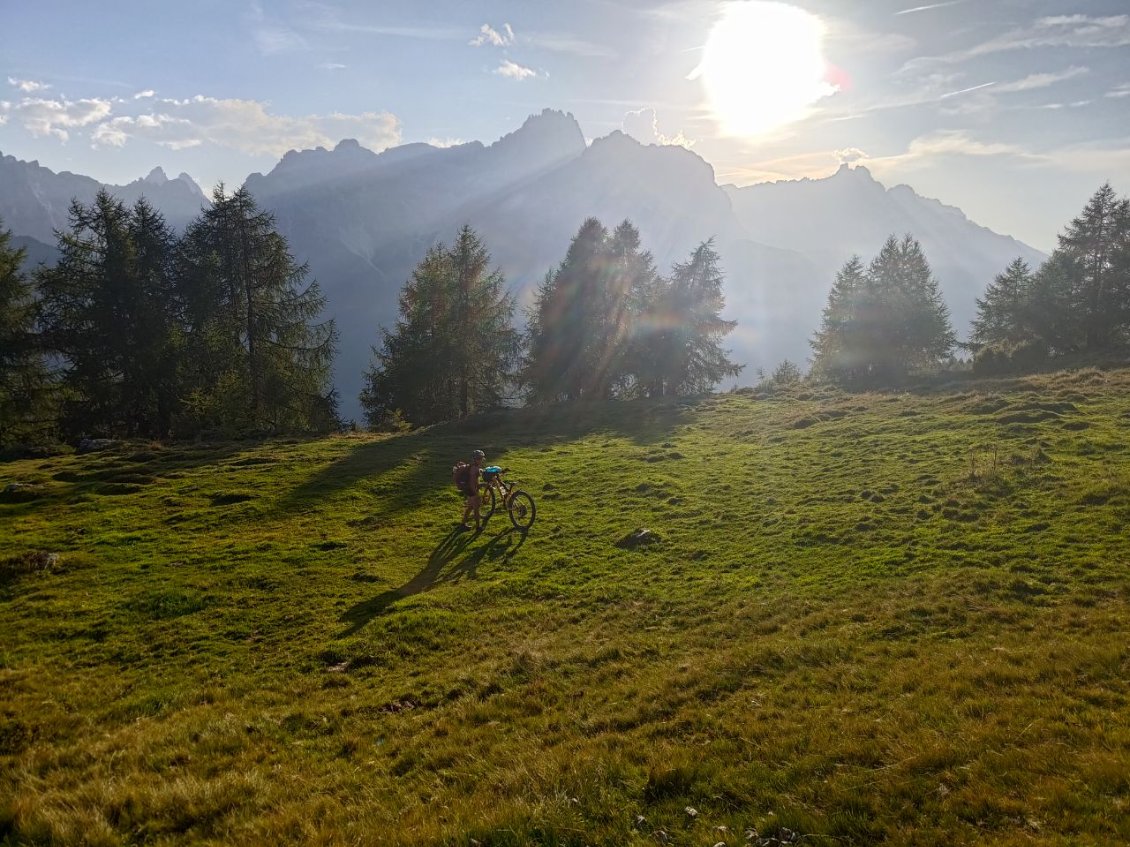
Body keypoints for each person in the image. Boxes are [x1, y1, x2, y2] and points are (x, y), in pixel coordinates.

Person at [457, 449, 486, 531]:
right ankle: (478, 527)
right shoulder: (474, 469)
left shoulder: (472, 466)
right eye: (479, 458)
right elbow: (472, 482)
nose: (480, 460)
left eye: (481, 458)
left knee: (470, 507)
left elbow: (474, 482)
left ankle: (463, 524)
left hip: (468, 490)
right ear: (475, 459)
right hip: (472, 490)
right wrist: (475, 493)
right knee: (476, 509)